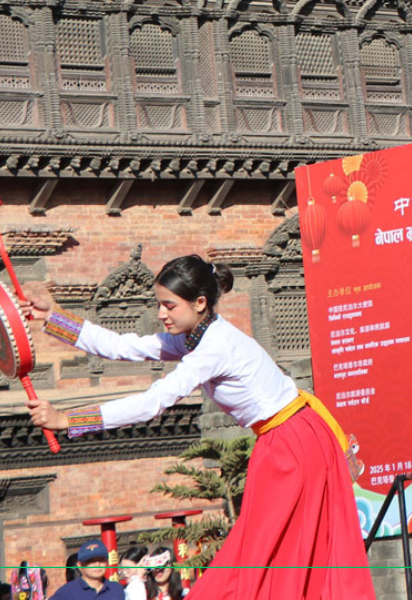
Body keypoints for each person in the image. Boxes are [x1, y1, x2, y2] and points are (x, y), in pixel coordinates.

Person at [22, 255, 375, 600]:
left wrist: (68, 420)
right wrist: (53, 318)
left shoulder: (214, 347)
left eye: (169, 306)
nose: (161, 313)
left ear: (200, 302)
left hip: (293, 443)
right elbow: (122, 346)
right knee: (271, 551)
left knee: (266, 551)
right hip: (287, 438)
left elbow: (152, 402)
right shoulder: (198, 337)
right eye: (160, 304)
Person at [48, 542, 124, 600]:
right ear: (79, 565)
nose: (97, 564)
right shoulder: (68, 592)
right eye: (91, 561)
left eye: (101, 560)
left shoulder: (115, 589)